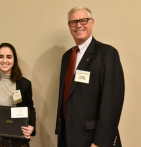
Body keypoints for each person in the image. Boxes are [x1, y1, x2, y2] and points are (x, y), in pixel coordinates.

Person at [55, 6, 125, 147]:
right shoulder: (67, 56)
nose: (78, 25)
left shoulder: (107, 54)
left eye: (83, 20)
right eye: (73, 22)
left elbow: (112, 102)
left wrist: (100, 142)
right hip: (67, 136)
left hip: (93, 140)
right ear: (69, 26)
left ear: (92, 23)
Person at [0, 43, 36, 147]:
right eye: (0, 57)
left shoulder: (25, 84)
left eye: (9, 57)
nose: (4, 60)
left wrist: (31, 126)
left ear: (14, 60)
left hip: (17, 140)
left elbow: (30, 109)